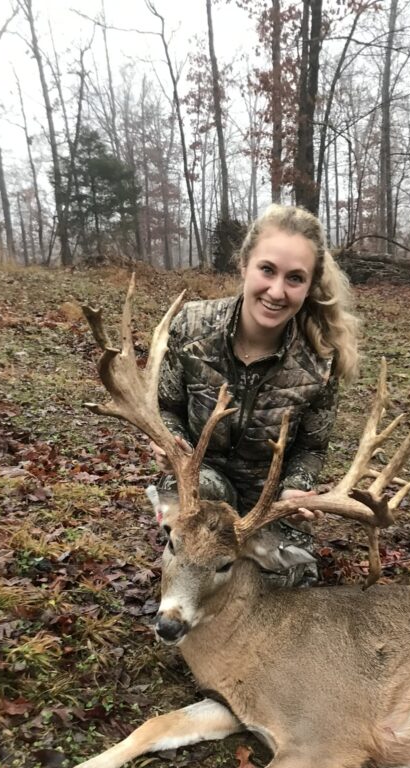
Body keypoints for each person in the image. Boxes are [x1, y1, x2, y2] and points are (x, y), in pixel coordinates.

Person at [154, 203, 360, 585]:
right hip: (202, 479)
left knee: (293, 580)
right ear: (244, 265)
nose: (277, 291)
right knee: (199, 540)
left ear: (310, 285)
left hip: (268, 499)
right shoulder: (192, 326)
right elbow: (166, 408)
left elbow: (312, 448)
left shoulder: (320, 361)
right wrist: (175, 444)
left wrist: (297, 486)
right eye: (267, 270)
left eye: (295, 278)